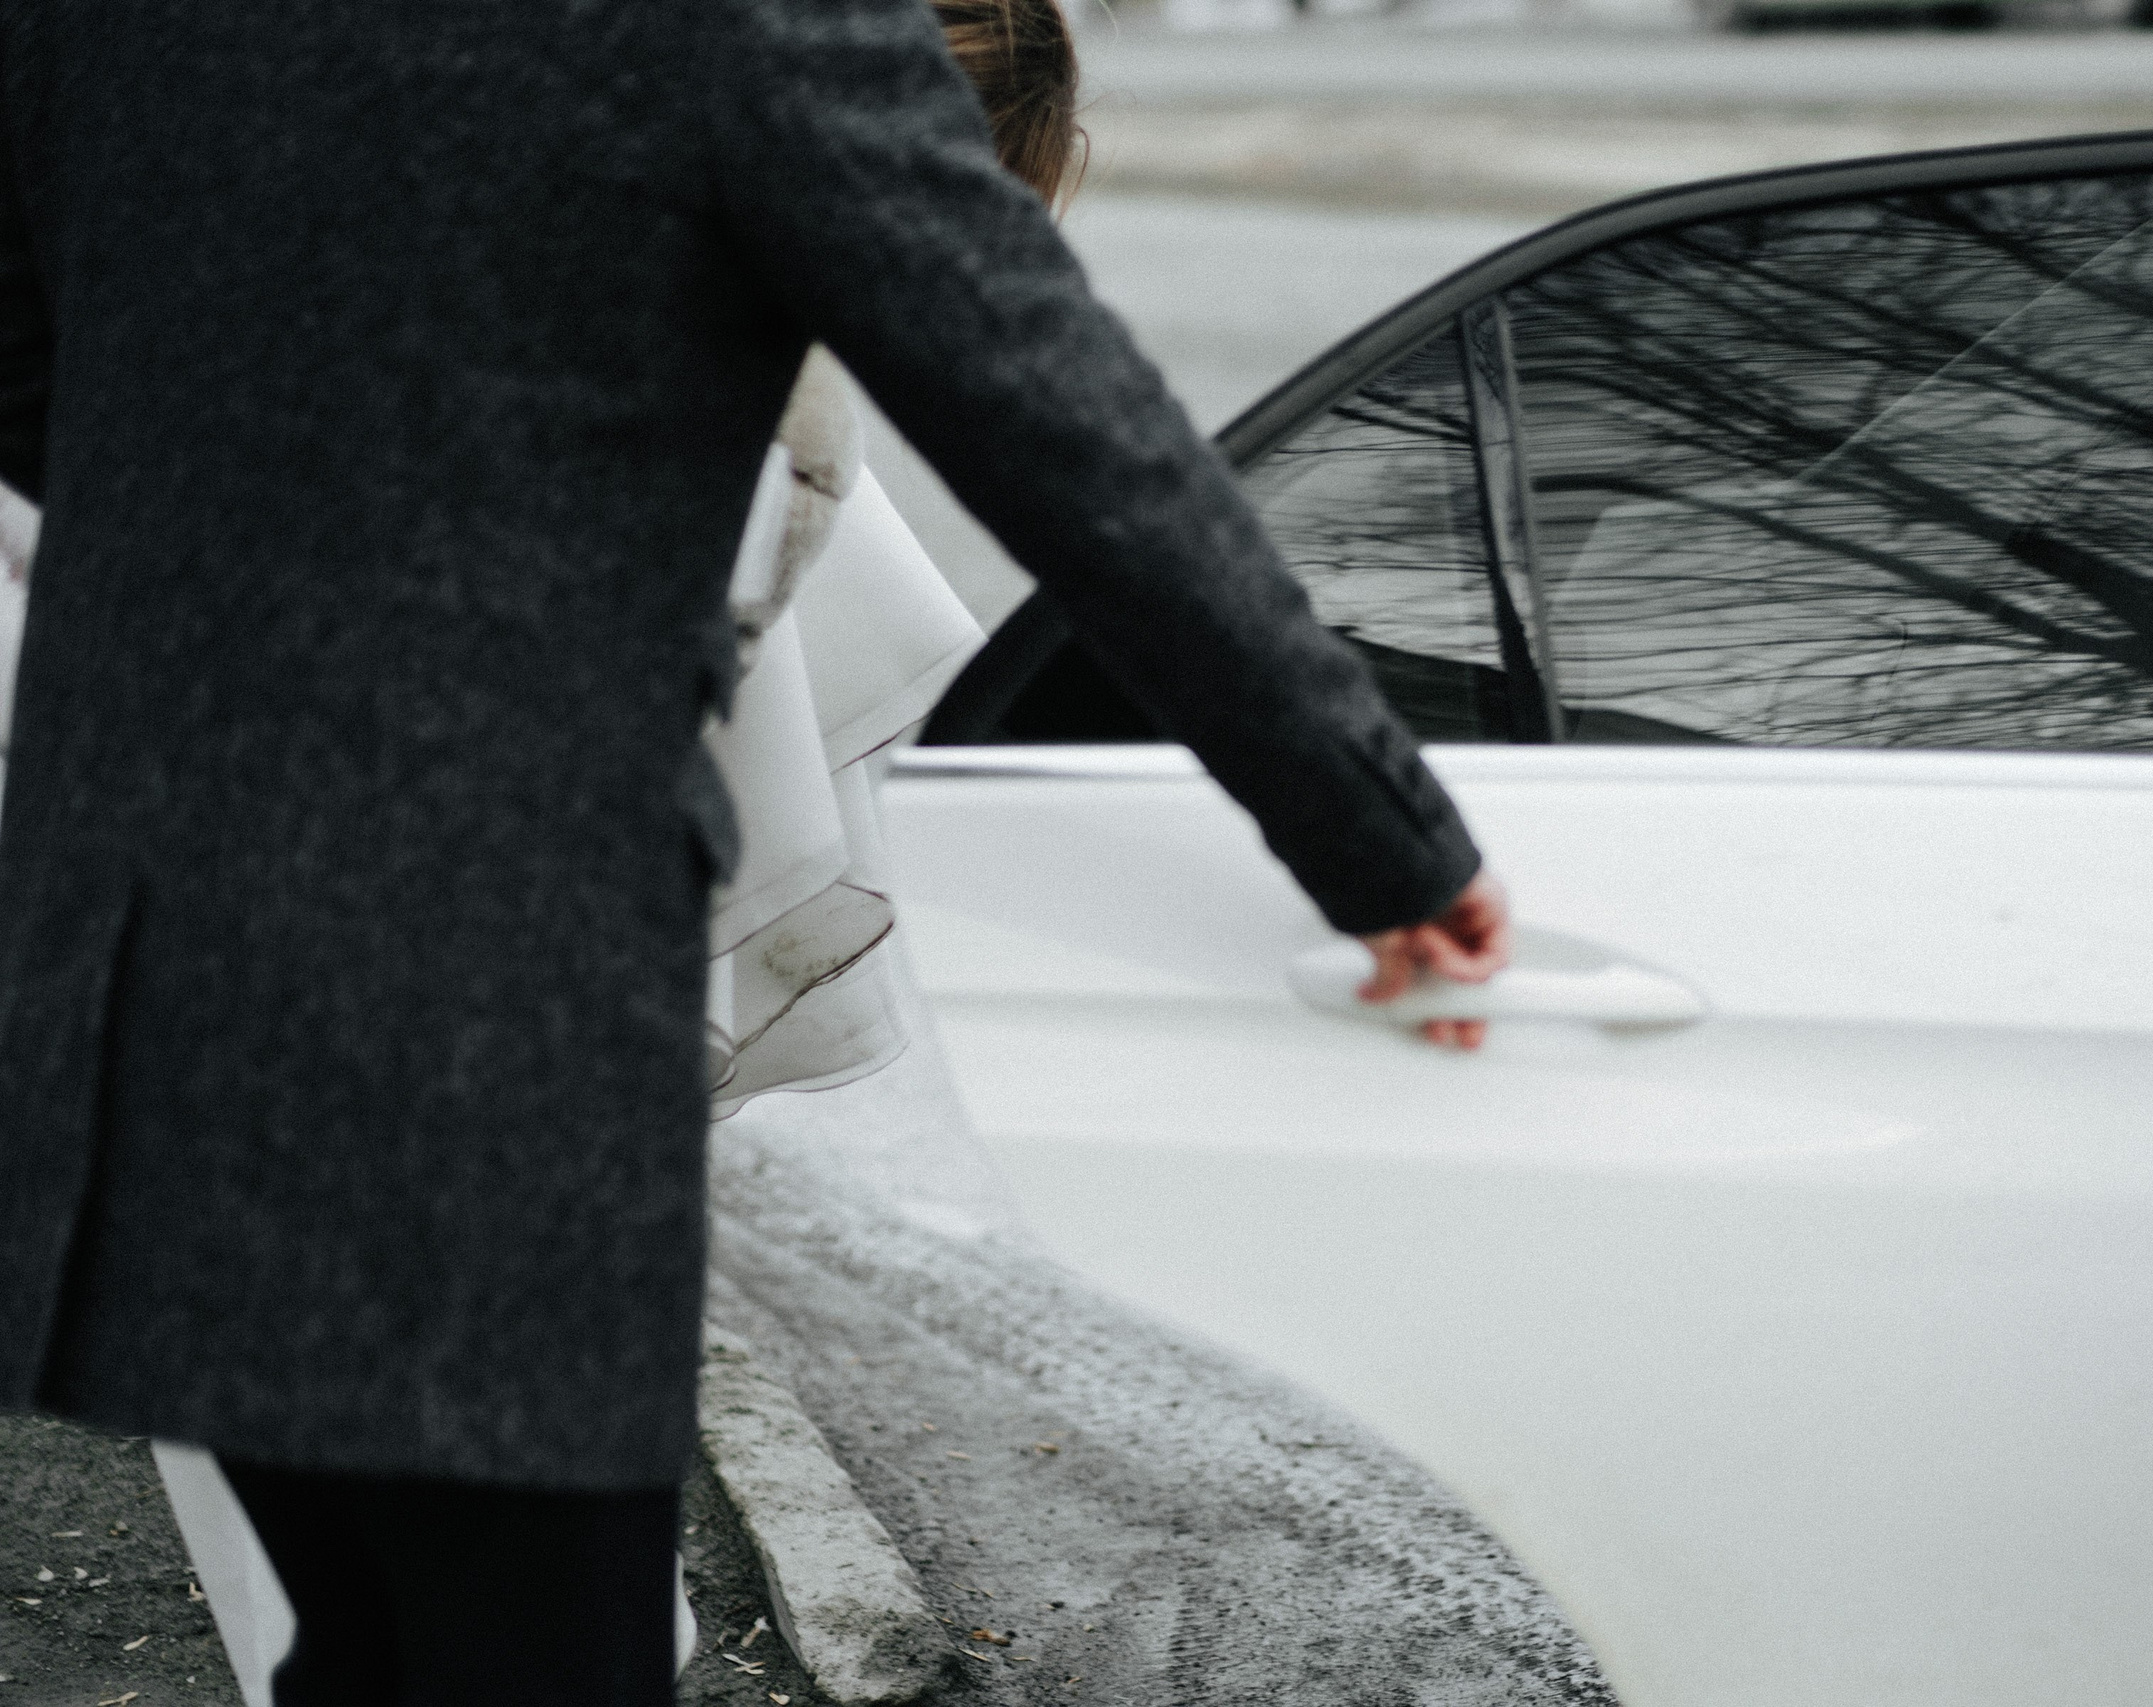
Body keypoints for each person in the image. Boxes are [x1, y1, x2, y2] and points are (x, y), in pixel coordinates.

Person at [0, 2, 1510, 1704]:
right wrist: (1387, 843)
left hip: (130, 957)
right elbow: (1072, 436)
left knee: (362, 1640)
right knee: (535, 1656)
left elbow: (24, 354)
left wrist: (273, 531)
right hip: (476, 993)